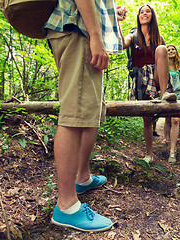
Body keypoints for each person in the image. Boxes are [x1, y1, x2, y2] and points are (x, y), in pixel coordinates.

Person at [44, 0, 124, 232]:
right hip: (77, 30)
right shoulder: (82, 32)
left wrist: (108, 18)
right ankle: (66, 206)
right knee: (75, 114)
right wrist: (96, 37)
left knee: (89, 111)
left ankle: (82, 178)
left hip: (78, 28)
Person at [118, 4, 177, 164]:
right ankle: (149, 154)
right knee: (147, 120)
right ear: (138, 16)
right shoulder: (133, 35)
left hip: (158, 77)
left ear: (152, 16)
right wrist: (118, 22)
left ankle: (164, 94)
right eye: (141, 12)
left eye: (148, 12)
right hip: (141, 79)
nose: (144, 14)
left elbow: (164, 59)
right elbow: (122, 44)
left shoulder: (158, 37)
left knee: (162, 49)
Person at [162, 44, 180, 163]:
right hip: (168, 96)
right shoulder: (163, 66)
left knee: (175, 120)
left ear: (176, 52)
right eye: (168, 50)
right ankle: (166, 139)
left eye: (173, 49)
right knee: (168, 119)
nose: (171, 51)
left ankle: (172, 151)